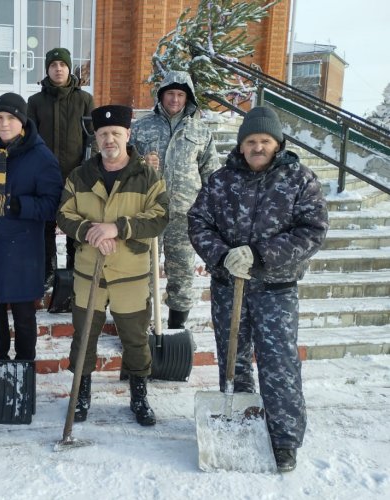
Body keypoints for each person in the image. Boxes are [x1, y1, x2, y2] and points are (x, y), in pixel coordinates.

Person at [187, 106, 329, 472]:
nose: (257, 147)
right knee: (232, 359)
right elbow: (198, 221)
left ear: (277, 142)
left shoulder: (299, 179)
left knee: (278, 364)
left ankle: (284, 440)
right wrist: (221, 256)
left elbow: (313, 230)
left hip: (275, 290)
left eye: (264, 141)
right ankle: (240, 423)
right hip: (228, 287)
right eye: (251, 141)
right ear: (241, 145)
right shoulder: (220, 181)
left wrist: (260, 254)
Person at [57, 105, 169, 426]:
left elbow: (160, 217)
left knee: (135, 338)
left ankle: (139, 393)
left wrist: (117, 228)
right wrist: (91, 232)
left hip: (130, 275)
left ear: (128, 135)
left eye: (115, 134)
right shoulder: (80, 176)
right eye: (103, 134)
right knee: (84, 336)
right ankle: (81, 393)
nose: (109, 139)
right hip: (88, 272)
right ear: (96, 137)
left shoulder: (147, 177)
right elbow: (64, 214)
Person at [0, 92, 63, 360]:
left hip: (22, 250)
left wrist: (18, 206)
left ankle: (23, 365)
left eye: (11, 117)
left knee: (23, 315)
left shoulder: (41, 158)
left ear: (22, 120)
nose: (4, 123)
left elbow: (53, 204)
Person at [130, 70, 220, 329]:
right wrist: (141, 163)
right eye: (171, 93)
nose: (175, 99)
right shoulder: (142, 127)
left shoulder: (200, 132)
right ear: (162, 95)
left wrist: (208, 212)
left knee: (181, 273)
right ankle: (142, 326)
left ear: (187, 98)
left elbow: (211, 174)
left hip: (183, 214)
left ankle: (176, 329)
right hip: (148, 212)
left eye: (180, 94)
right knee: (143, 272)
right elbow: (123, 166)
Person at [28, 48, 95, 284]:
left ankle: (75, 272)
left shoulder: (84, 99)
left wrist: (88, 168)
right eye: (53, 65)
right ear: (47, 69)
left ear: (69, 68)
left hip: (75, 174)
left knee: (73, 224)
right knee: (45, 224)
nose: (58, 69)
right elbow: (30, 138)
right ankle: (46, 269)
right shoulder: (35, 102)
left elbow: (91, 137)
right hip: (43, 176)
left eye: (62, 65)